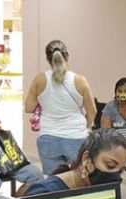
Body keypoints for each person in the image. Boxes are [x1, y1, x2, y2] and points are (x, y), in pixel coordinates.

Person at [24, 40, 96, 174]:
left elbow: (28, 107)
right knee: (78, 179)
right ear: (67, 56)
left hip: (48, 138)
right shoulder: (80, 80)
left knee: (54, 181)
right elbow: (92, 111)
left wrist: (45, 101)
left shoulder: (40, 79)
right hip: (76, 137)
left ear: (47, 58)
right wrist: (85, 126)